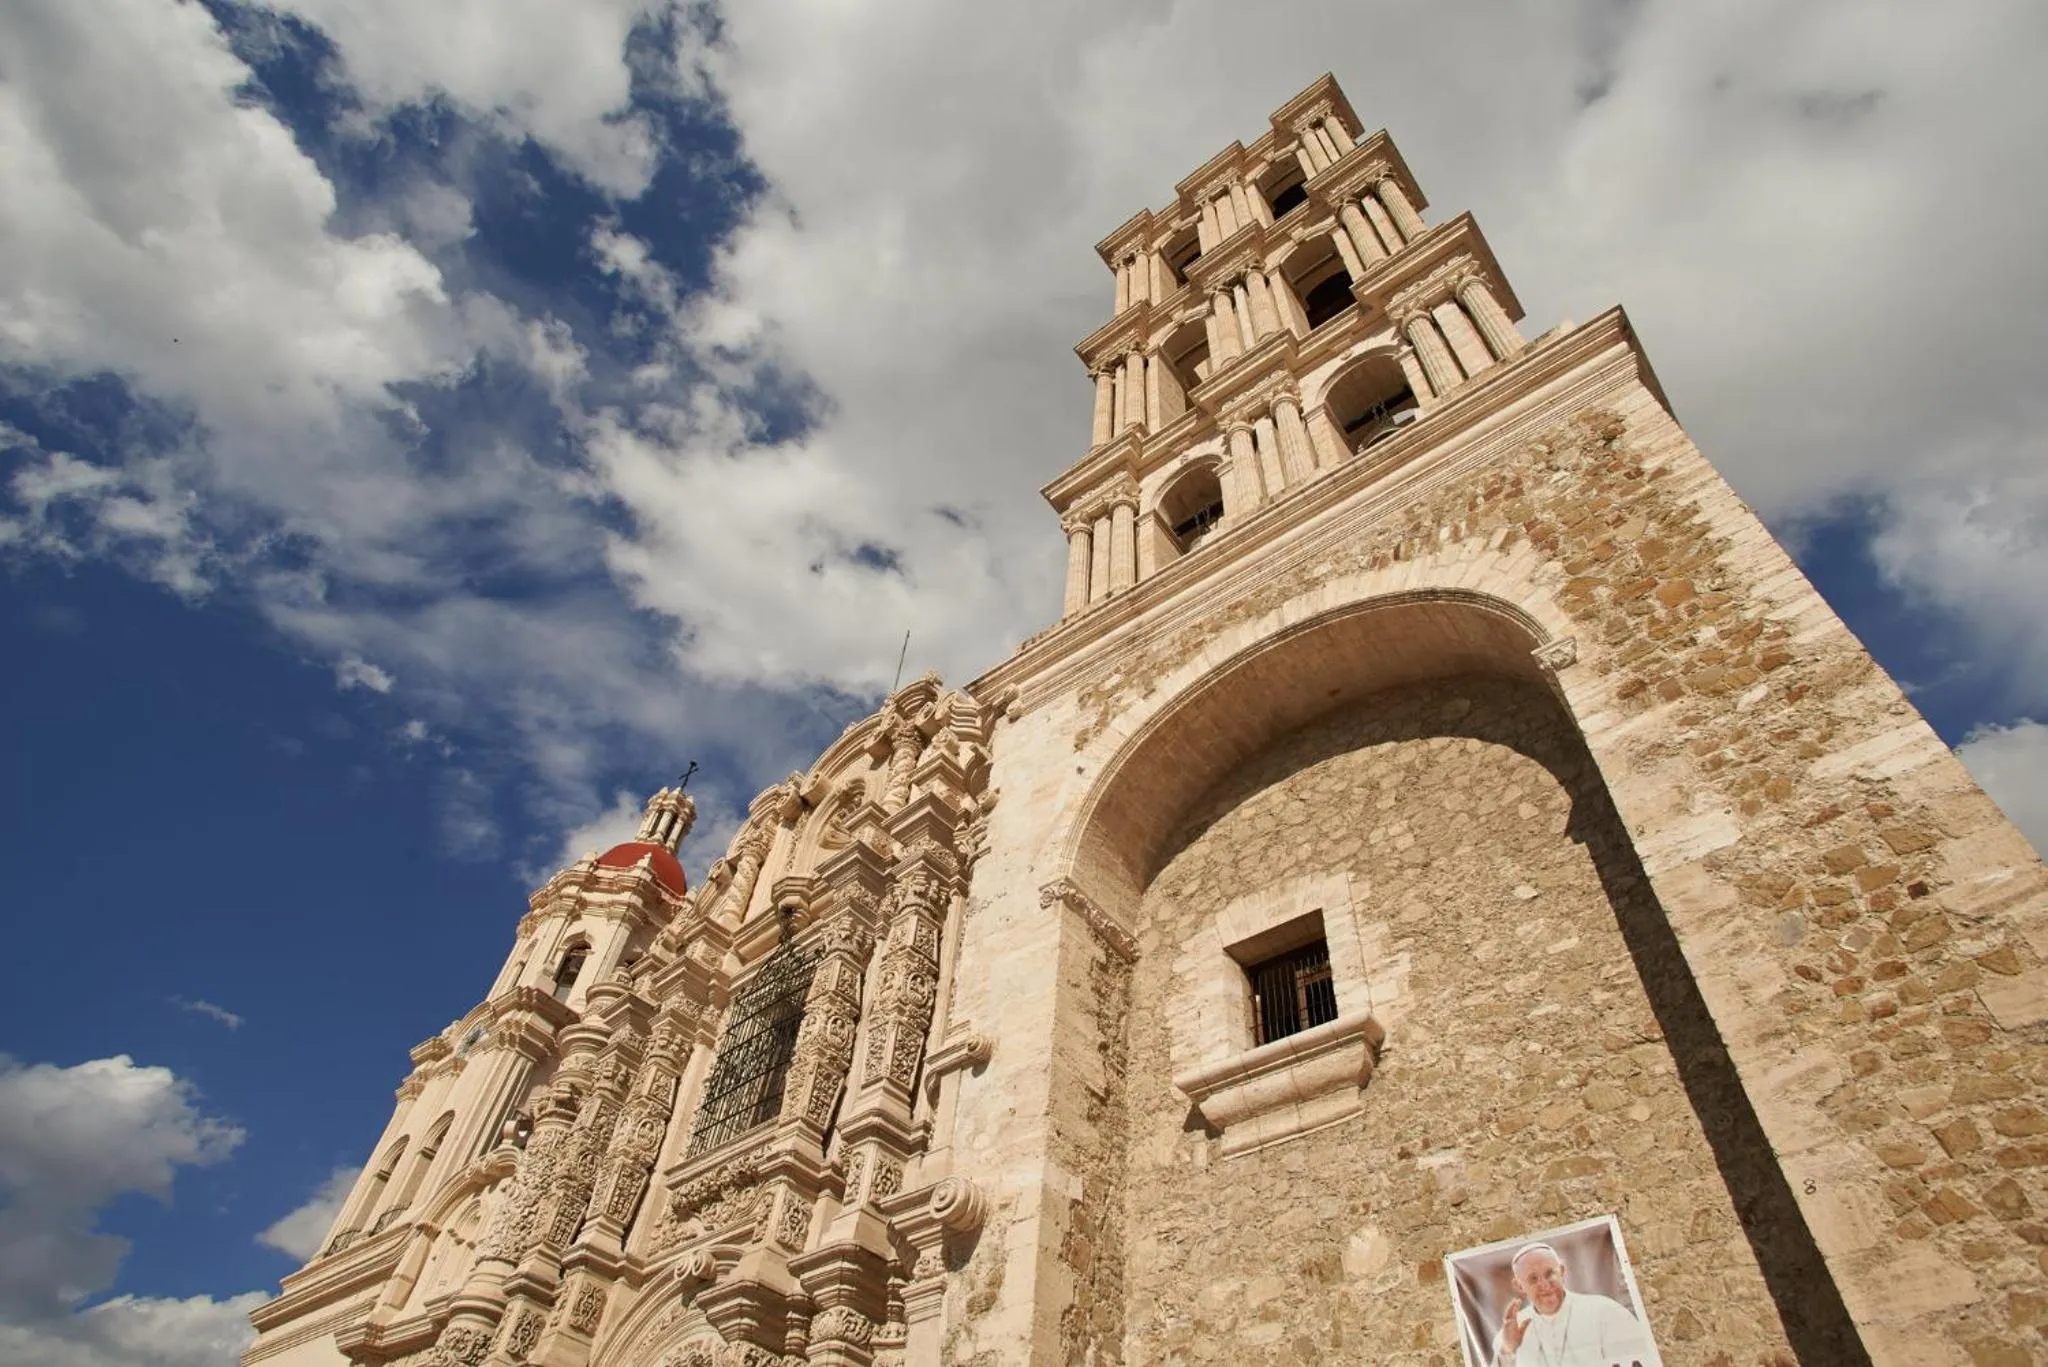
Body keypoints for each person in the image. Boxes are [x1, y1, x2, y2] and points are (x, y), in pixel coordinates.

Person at [1490, 1241, 1658, 1367]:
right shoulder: (1508, 1335)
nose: (1544, 1285)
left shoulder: (1605, 1312)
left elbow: (1641, 1359)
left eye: (1550, 1274)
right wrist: (1508, 1351)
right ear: (1519, 1286)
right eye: (1533, 1279)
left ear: (1562, 1271)